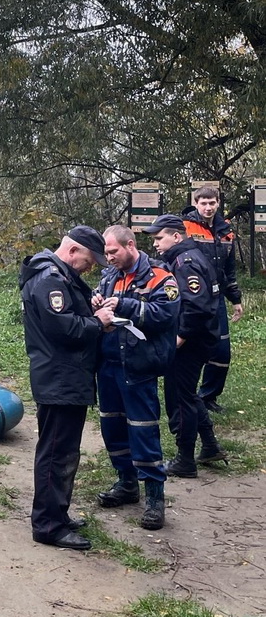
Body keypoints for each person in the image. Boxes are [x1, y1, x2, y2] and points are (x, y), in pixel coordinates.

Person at [20, 225, 114, 550]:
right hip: (59, 379)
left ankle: (57, 515)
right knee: (56, 454)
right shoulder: (49, 279)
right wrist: (97, 321)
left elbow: (72, 314)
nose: (90, 268)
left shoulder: (61, 277)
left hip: (67, 377)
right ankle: (48, 525)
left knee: (64, 452)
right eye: (88, 261)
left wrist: (91, 306)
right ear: (72, 251)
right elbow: (64, 329)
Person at [92, 225, 179, 530]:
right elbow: (102, 298)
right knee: (112, 427)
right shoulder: (110, 275)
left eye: (113, 251)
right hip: (109, 365)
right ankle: (126, 483)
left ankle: (154, 497)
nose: (108, 257)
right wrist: (96, 302)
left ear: (130, 245)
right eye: (105, 253)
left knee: (142, 430)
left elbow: (166, 314)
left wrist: (126, 305)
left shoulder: (159, 276)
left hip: (138, 367)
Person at [145, 214, 226, 477]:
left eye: (160, 238)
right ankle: (210, 446)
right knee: (189, 394)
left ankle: (185, 459)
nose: (156, 243)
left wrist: (180, 336)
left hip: (191, 342)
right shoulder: (186, 256)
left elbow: (196, 305)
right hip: (199, 338)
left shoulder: (186, 262)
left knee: (180, 399)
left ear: (176, 236)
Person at [182, 187, 243, 413]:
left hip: (216, 300)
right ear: (196, 203)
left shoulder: (226, 232)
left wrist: (235, 299)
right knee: (189, 349)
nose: (208, 207)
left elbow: (229, 271)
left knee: (221, 352)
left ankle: (207, 396)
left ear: (218, 203)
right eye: (203, 203)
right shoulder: (185, 227)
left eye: (212, 203)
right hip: (191, 300)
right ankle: (185, 397)